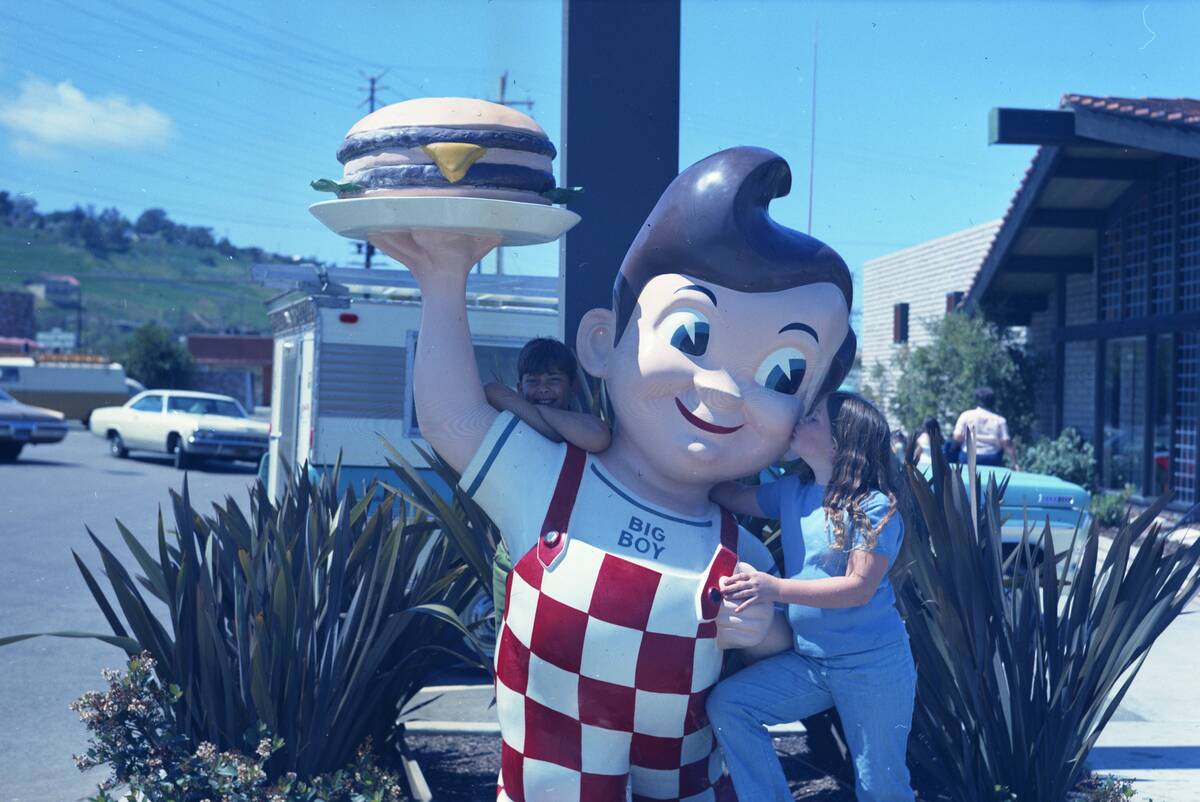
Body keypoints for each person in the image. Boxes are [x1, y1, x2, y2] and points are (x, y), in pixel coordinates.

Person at [369, 147, 856, 801]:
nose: (724, 390)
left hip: (685, 754)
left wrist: (764, 630)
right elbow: (453, 420)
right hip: (561, 750)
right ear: (603, 341)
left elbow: (781, 648)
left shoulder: (735, 543)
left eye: (782, 374)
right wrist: (442, 277)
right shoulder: (551, 481)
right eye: (690, 335)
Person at [707, 392, 916, 802]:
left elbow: (858, 588)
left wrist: (774, 589)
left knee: (881, 788)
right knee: (730, 706)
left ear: (840, 442)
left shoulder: (874, 507)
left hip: (872, 667)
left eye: (814, 419)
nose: (800, 423)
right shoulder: (792, 492)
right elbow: (727, 496)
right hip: (812, 663)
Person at [483, 337, 611, 631]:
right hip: (512, 554)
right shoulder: (508, 408)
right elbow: (492, 391)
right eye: (533, 380)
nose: (543, 388)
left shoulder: (586, 425)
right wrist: (549, 423)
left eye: (554, 380)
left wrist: (536, 416)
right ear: (519, 387)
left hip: (569, 555)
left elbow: (598, 437)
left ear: (573, 387)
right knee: (511, 647)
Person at [952, 387, 1019, 469]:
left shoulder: (966, 415)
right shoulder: (999, 420)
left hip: (968, 456)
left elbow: (957, 437)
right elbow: (1006, 443)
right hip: (991, 457)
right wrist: (1015, 463)